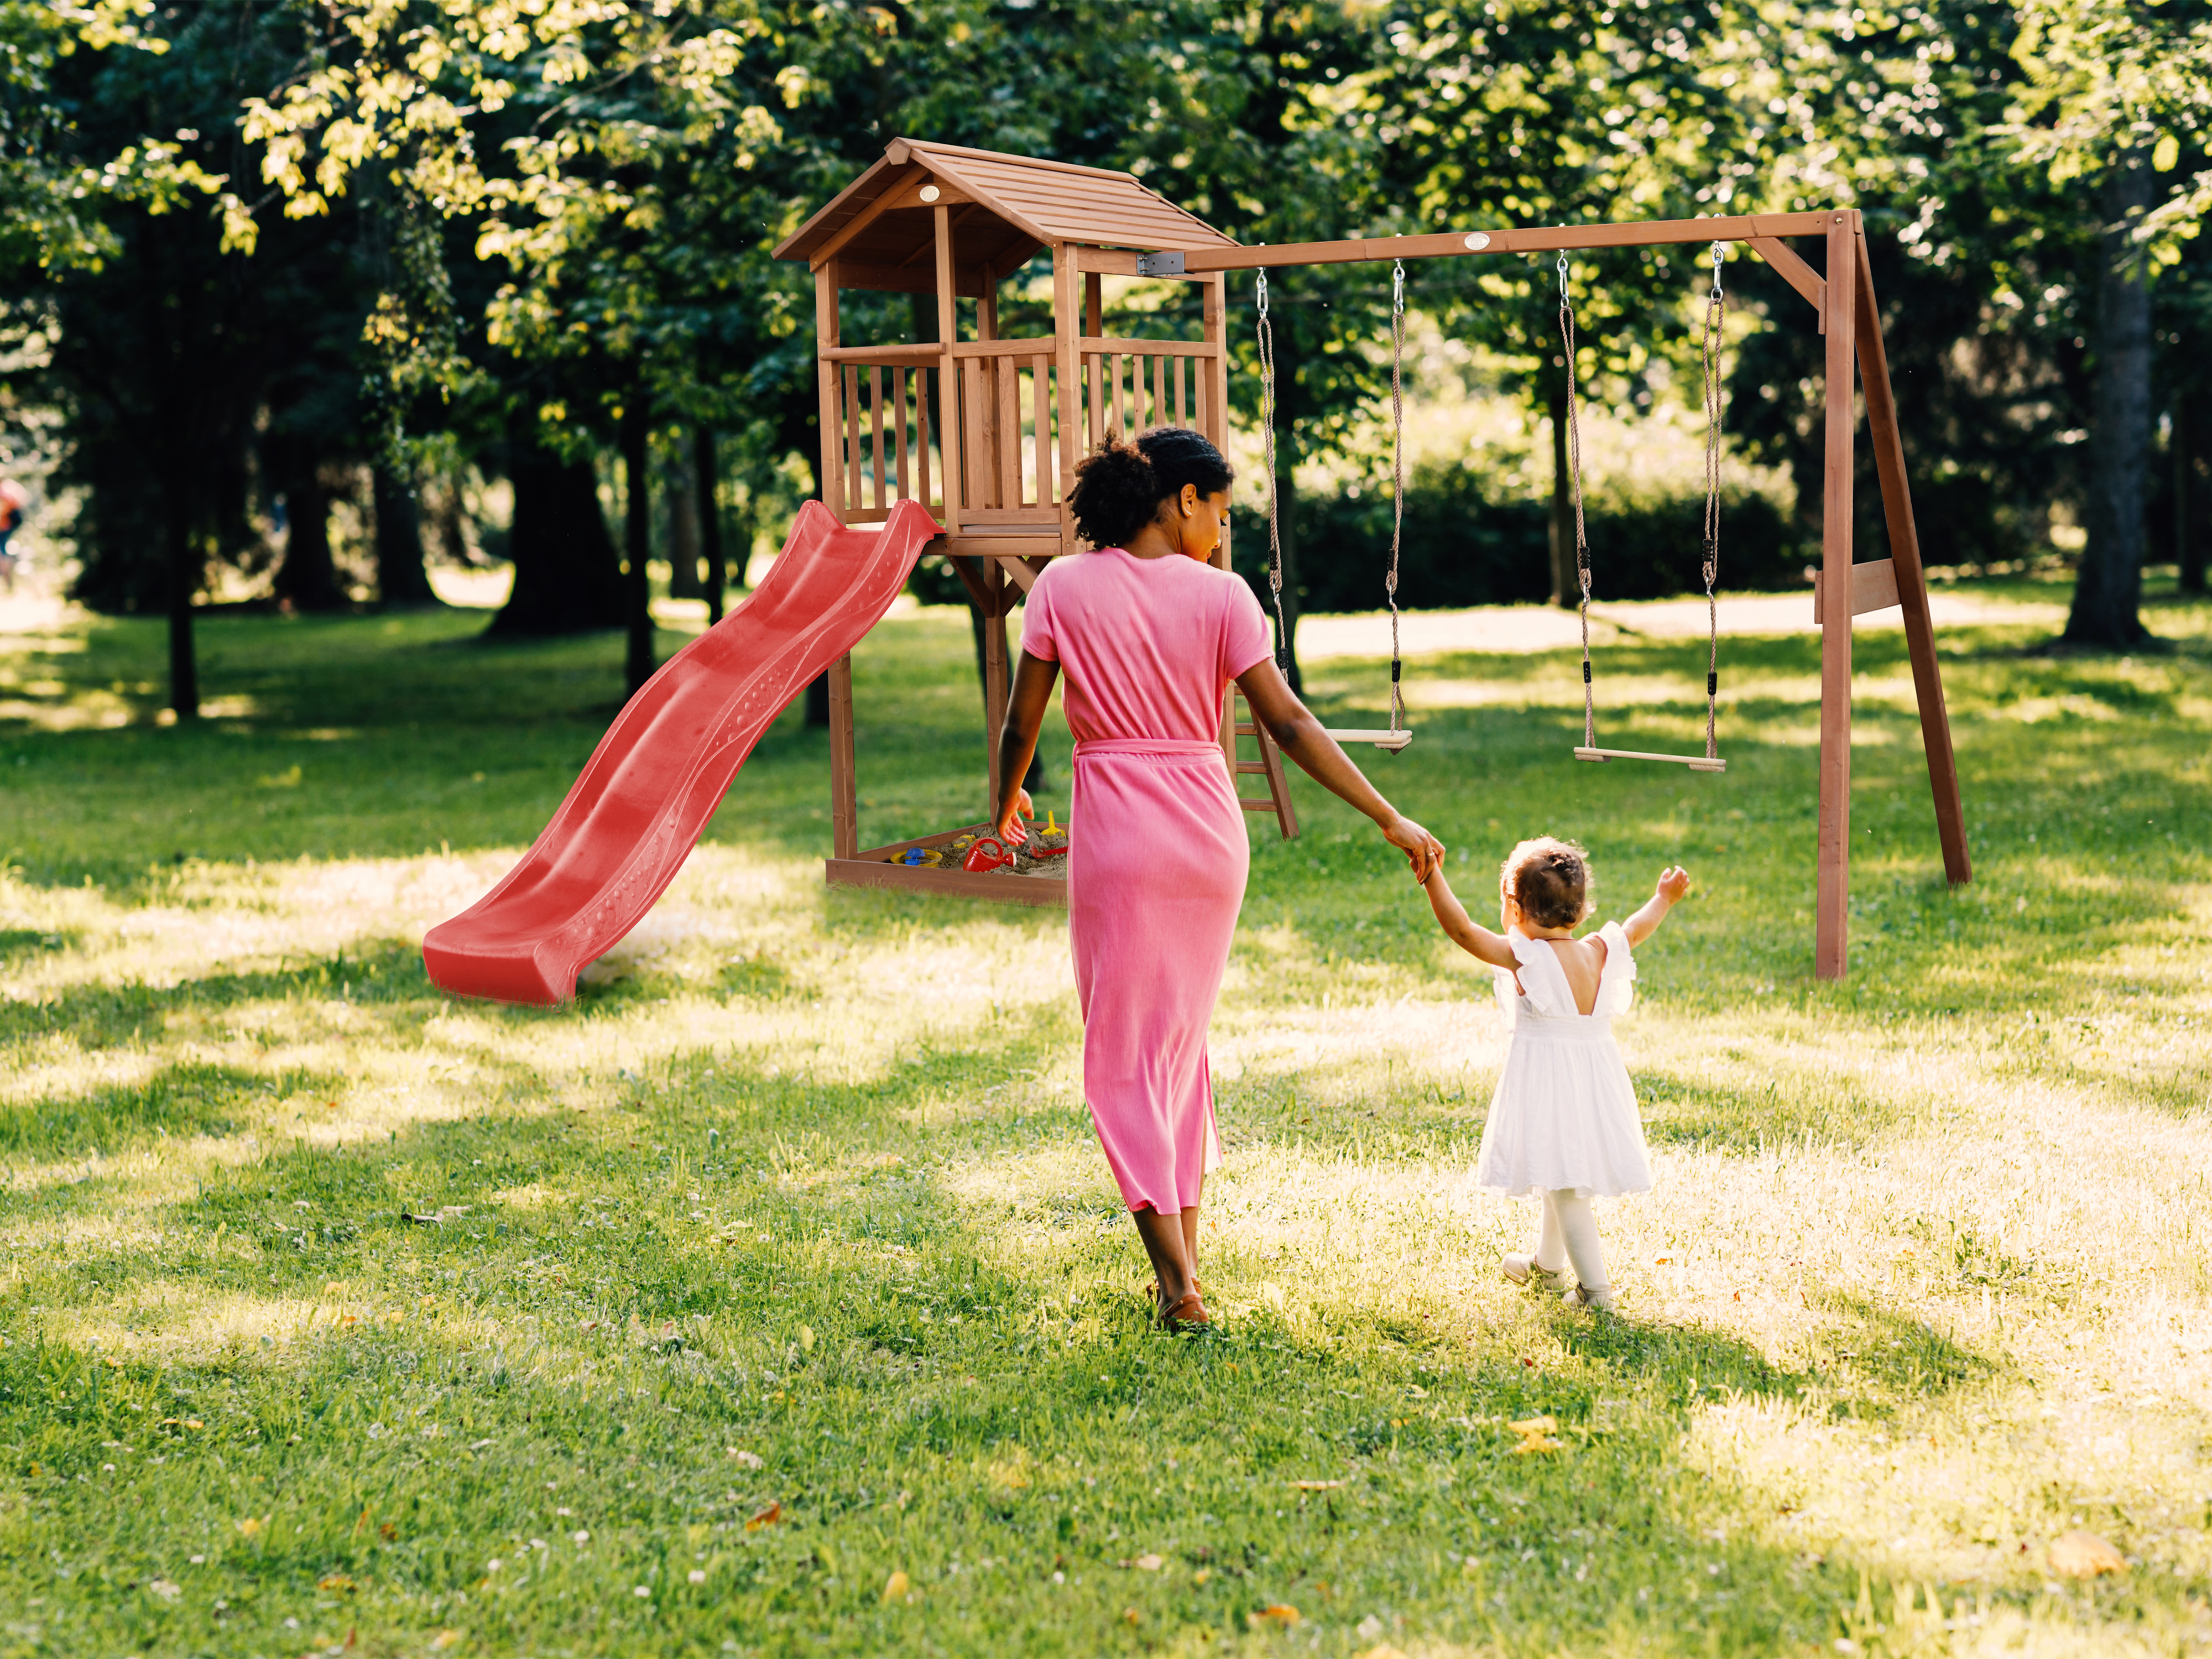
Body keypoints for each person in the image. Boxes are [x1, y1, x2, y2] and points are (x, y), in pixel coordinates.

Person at [993, 427, 1443, 1332]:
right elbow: (1289, 724)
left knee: (1122, 1058)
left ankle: (1177, 1286)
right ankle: (1186, 1267)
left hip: (1119, 836)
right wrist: (1386, 814)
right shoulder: (1225, 598)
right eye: (1223, 512)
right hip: (1207, 836)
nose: (1224, 533)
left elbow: (1021, 724)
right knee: (1175, 1052)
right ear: (1184, 499)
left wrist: (1002, 808)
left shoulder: (1061, 588)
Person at [1419, 837, 1691, 1311]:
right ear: (1581, 911)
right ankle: (1547, 1267)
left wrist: (1431, 875)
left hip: (1551, 1085)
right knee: (1556, 1170)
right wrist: (1663, 898)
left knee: (1566, 1189)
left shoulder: (1526, 958)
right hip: (1593, 1083)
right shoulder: (1599, 950)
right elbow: (1636, 927)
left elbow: (1462, 931)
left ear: (1515, 909)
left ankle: (1596, 1293)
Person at [0, 478, 27, 595]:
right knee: (3, 549)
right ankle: (7, 577)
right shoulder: (8, 486)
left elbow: (5, 509)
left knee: (2, 550)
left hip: (7, 524)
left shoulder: (4, 491)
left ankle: (6, 575)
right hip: (10, 523)